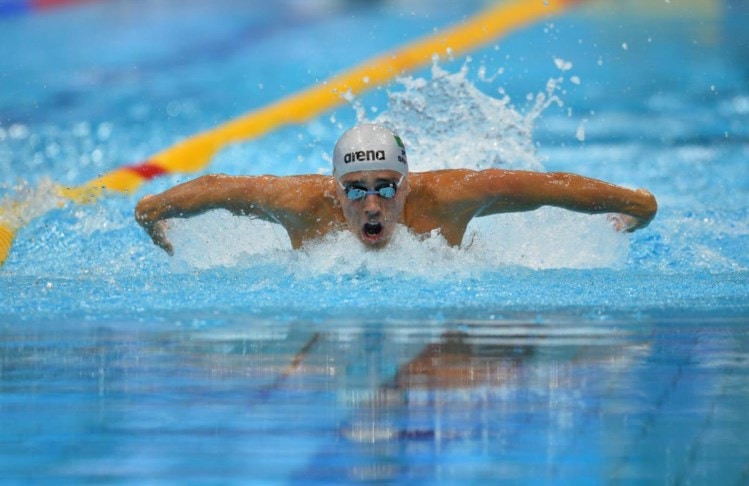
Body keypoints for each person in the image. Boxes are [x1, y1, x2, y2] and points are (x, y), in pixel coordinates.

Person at [135, 124, 657, 255]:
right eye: (356, 190)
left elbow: (550, 187)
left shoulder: (450, 199)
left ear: (408, 186)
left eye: (386, 188)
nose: (371, 204)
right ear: (334, 190)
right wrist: (152, 211)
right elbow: (218, 188)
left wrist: (638, 206)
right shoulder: (299, 205)